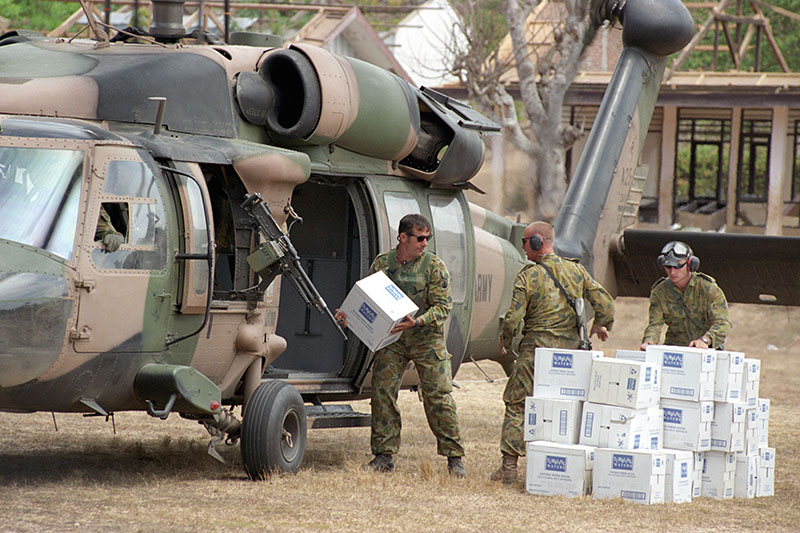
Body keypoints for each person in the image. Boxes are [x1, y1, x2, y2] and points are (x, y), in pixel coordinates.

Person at [334, 214, 466, 477]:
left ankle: (455, 458)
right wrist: (350, 316)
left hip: (426, 338)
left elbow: (443, 308)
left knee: (438, 397)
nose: (424, 243)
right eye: (420, 238)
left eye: (428, 238)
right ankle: (384, 456)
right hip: (392, 339)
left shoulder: (434, 266)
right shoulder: (383, 263)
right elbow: (369, 298)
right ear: (403, 237)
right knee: (382, 393)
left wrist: (417, 322)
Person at [491, 221, 614, 484]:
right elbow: (605, 303)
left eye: (525, 242)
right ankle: (568, 465)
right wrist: (601, 323)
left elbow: (513, 318)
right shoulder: (576, 271)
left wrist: (505, 339)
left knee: (516, 405)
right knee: (567, 408)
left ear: (536, 242)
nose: (523, 248)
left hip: (535, 353)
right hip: (570, 357)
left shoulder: (528, 275)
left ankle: (509, 469)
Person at [640, 240, 730, 350]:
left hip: (705, 350)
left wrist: (705, 340)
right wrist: (649, 341)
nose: (672, 272)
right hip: (674, 349)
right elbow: (655, 324)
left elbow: (722, 323)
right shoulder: (660, 291)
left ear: (690, 265)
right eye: (668, 267)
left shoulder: (707, 288)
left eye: (677, 267)